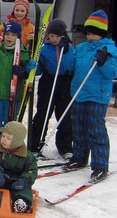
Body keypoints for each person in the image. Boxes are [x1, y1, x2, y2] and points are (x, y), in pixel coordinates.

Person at [63, 10, 117, 183]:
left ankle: (100, 165)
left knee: (96, 130)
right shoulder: (81, 48)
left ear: (102, 33)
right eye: (87, 32)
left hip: (97, 95)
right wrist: (66, 51)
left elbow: (112, 73)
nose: (89, 36)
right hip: (79, 94)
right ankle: (79, 157)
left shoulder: (110, 50)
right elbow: (69, 67)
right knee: (79, 128)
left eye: (93, 33)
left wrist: (103, 62)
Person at [29, 19, 75, 159]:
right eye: (52, 36)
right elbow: (39, 69)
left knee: (65, 116)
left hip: (64, 82)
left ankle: (65, 146)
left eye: (57, 36)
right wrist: (33, 67)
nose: (54, 39)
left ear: (63, 36)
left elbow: (73, 66)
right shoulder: (44, 49)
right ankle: (35, 145)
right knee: (43, 113)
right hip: (48, 81)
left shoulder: (70, 50)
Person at [0, 21, 34, 149]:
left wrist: (25, 72)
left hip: (14, 95)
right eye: (7, 34)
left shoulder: (23, 53)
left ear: (18, 37)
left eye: (13, 35)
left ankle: (10, 145)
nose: (9, 37)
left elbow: (29, 72)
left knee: (11, 122)